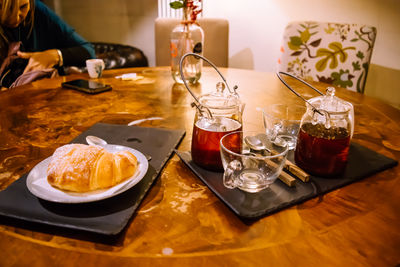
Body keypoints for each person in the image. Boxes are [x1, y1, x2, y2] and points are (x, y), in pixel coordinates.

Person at [0, 0, 95, 77]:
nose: (15, 18)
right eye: (8, 9)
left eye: (23, 7)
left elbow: (88, 51)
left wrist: (54, 56)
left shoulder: (37, 9)